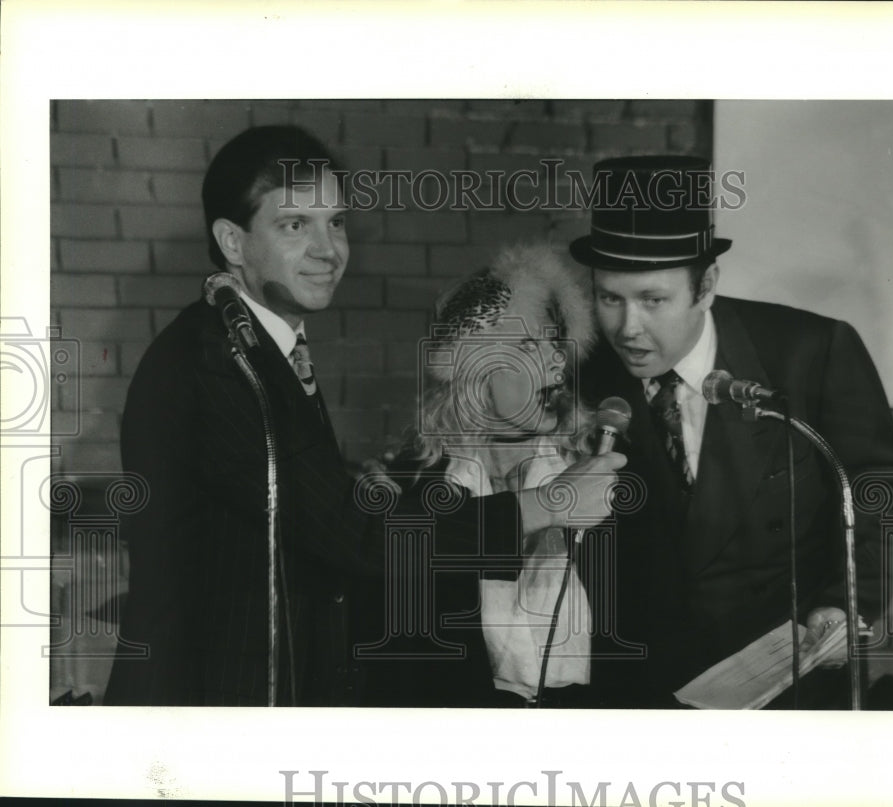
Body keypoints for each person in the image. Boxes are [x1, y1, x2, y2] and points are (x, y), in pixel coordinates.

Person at [103, 126, 623, 706]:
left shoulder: (264, 350)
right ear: (232, 241)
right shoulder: (217, 363)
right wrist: (544, 507)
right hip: (211, 706)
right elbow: (348, 536)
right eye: (295, 225)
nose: (329, 250)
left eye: (337, 222)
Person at [569, 155, 893, 709]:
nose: (627, 328)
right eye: (610, 298)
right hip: (636, 694)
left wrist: (847, 603)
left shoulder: (811, 351)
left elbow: (889, 498)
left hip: (787, 683)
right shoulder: (579, 370)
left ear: (705, 285)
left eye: (652, 300)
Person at [358, 243, 608, 708]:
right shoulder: (407, 490)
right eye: (529, 344)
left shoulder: (599, 471)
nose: (557, 359)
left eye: (556, 341)